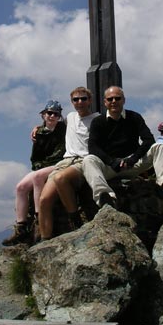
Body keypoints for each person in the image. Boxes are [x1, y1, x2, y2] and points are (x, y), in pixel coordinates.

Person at [81, 86, 163, 209]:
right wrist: (112, 161)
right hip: (110, 167)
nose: (114, 101)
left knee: (159, 146)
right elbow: (93, 147)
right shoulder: (98, 122)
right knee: (88, 160)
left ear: (124, 100)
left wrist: (133, 158)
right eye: (110, 99)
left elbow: (149, 140)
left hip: (133, 164)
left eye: (117, 98)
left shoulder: (134, 117)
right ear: (105, 102)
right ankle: (106, 198)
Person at [38, 86, 99, 240]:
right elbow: (51, 125)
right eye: (75, 99)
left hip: (83, 161)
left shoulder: (98, 119)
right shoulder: (70, 117)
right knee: (44, 200)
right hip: (65, 161)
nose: (80, 102)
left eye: (83, 98)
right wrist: (37, 128)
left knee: (60, 178)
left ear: (90, 100)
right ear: (72, 102)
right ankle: (44, 239)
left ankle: (75, 220)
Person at [2, 100, 65, 246]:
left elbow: (60, 153)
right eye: (49, 113)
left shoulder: (63, 129)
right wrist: (39, 165)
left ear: (59, 116)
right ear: (43, 115)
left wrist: (42, 166)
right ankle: (21, 228)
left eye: (56, 114)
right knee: (20, 187)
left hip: (57, 164)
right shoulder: (39, 133)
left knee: (38, 177)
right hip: (41, 166)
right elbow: (35, 157)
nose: (52, 116)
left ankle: (39, 220)